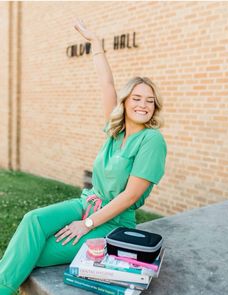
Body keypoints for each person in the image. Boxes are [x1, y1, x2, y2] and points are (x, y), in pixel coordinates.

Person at [0, 19, 167, 295]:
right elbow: (106, 83)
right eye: (137, 98)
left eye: (150, 100)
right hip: (85, 202)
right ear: (125, 102)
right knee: (33, 220)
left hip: (113, 222)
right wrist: (97, 44)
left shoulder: (152, 141)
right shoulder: (116, 131)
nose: (143, 105)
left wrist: (87, 224)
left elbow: (127, 197)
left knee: (35, 252)